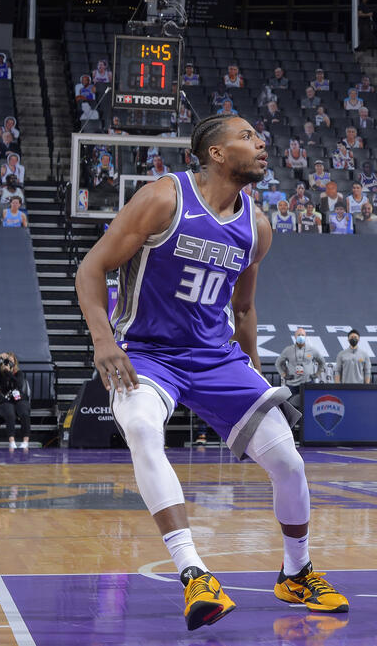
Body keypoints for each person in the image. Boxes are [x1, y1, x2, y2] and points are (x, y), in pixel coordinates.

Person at [74, 113, 348, 629]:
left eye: (261, 136)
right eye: (247, 137)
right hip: (148, 351)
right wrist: (103, 341)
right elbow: (91, 267)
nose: (261, 143)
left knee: (288, 461)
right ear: (216, 154)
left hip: (215, 358)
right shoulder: (163, 198)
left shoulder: (257, 227)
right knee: (139, 428)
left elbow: (244, 310)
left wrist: (259, 377)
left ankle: (297, 572)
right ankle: (193, 572)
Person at [0, 351, 32, 450]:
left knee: (24, 412)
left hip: (19, 398)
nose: (8, 364)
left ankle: (25, 441)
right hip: (6, 400)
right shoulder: (0, 374)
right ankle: (12, 441)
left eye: (11, 361)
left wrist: (8, 372)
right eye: (7, 361)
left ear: (15, 363)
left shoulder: (19, 373)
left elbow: (18, 384)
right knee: (10, 413)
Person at [276, 330, 323, 409]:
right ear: (295, 337)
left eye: (302, 335)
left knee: (309, 405)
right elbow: (278, 363)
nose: (300, 337)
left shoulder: (312, 350)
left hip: (308, 383)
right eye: (298, 335)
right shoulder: (288, 350)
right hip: (292, 383)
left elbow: (322, 362)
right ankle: (292, 421)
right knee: (290, 406)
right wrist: (284, 374)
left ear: (305, 336)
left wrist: (317, 374)